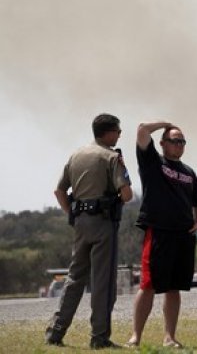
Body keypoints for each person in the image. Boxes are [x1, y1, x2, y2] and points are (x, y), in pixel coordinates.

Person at [45, 113, 133, 349]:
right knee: (103, 281)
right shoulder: (111, 157)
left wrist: (72, 214)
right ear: (109, 132)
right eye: (118, 130)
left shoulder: (76, 155)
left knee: (74, 279)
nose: (120, 134)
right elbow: (127, 194)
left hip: (81, 223)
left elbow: (59, 191)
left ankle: (56, 332)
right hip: (103, 224)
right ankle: (99, 337)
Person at [125, 121, 197, 349]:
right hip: (159, 232)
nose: (179, 145)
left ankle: (169, 337)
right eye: (175, 140)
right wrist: (166, 123)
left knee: (174, 287)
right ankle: (135, 337)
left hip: (183, 235)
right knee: (148, 285)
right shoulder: (153, 161)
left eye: (182, 141)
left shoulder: (189, 172)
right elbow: (141, 129)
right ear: (162, 143)